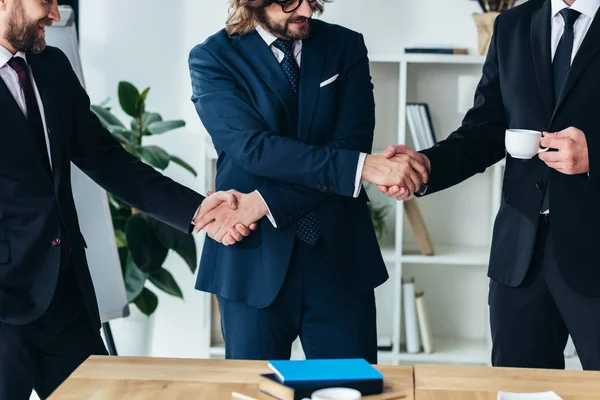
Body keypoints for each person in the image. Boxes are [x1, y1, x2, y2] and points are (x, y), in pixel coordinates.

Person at [0, 1, 254, 398]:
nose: (54, 13)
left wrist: (197, 210)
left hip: (65, 295)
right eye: (45, 1)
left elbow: (106, 159)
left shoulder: (51, 67)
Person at [188, 0, 428, 362]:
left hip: (339, 260)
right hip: (253, 259)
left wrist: (263, 201)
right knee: (257, 392)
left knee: (350, 390)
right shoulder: (213, 57)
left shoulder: (345, 46)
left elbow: (351, 145)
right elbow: (254, 148)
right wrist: (357, 167)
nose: (304, 8)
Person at [382, 0, 600, 370]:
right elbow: (483, 131)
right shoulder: (512, 25)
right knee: (517, 390)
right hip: (520, 254)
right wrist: (426, 165)